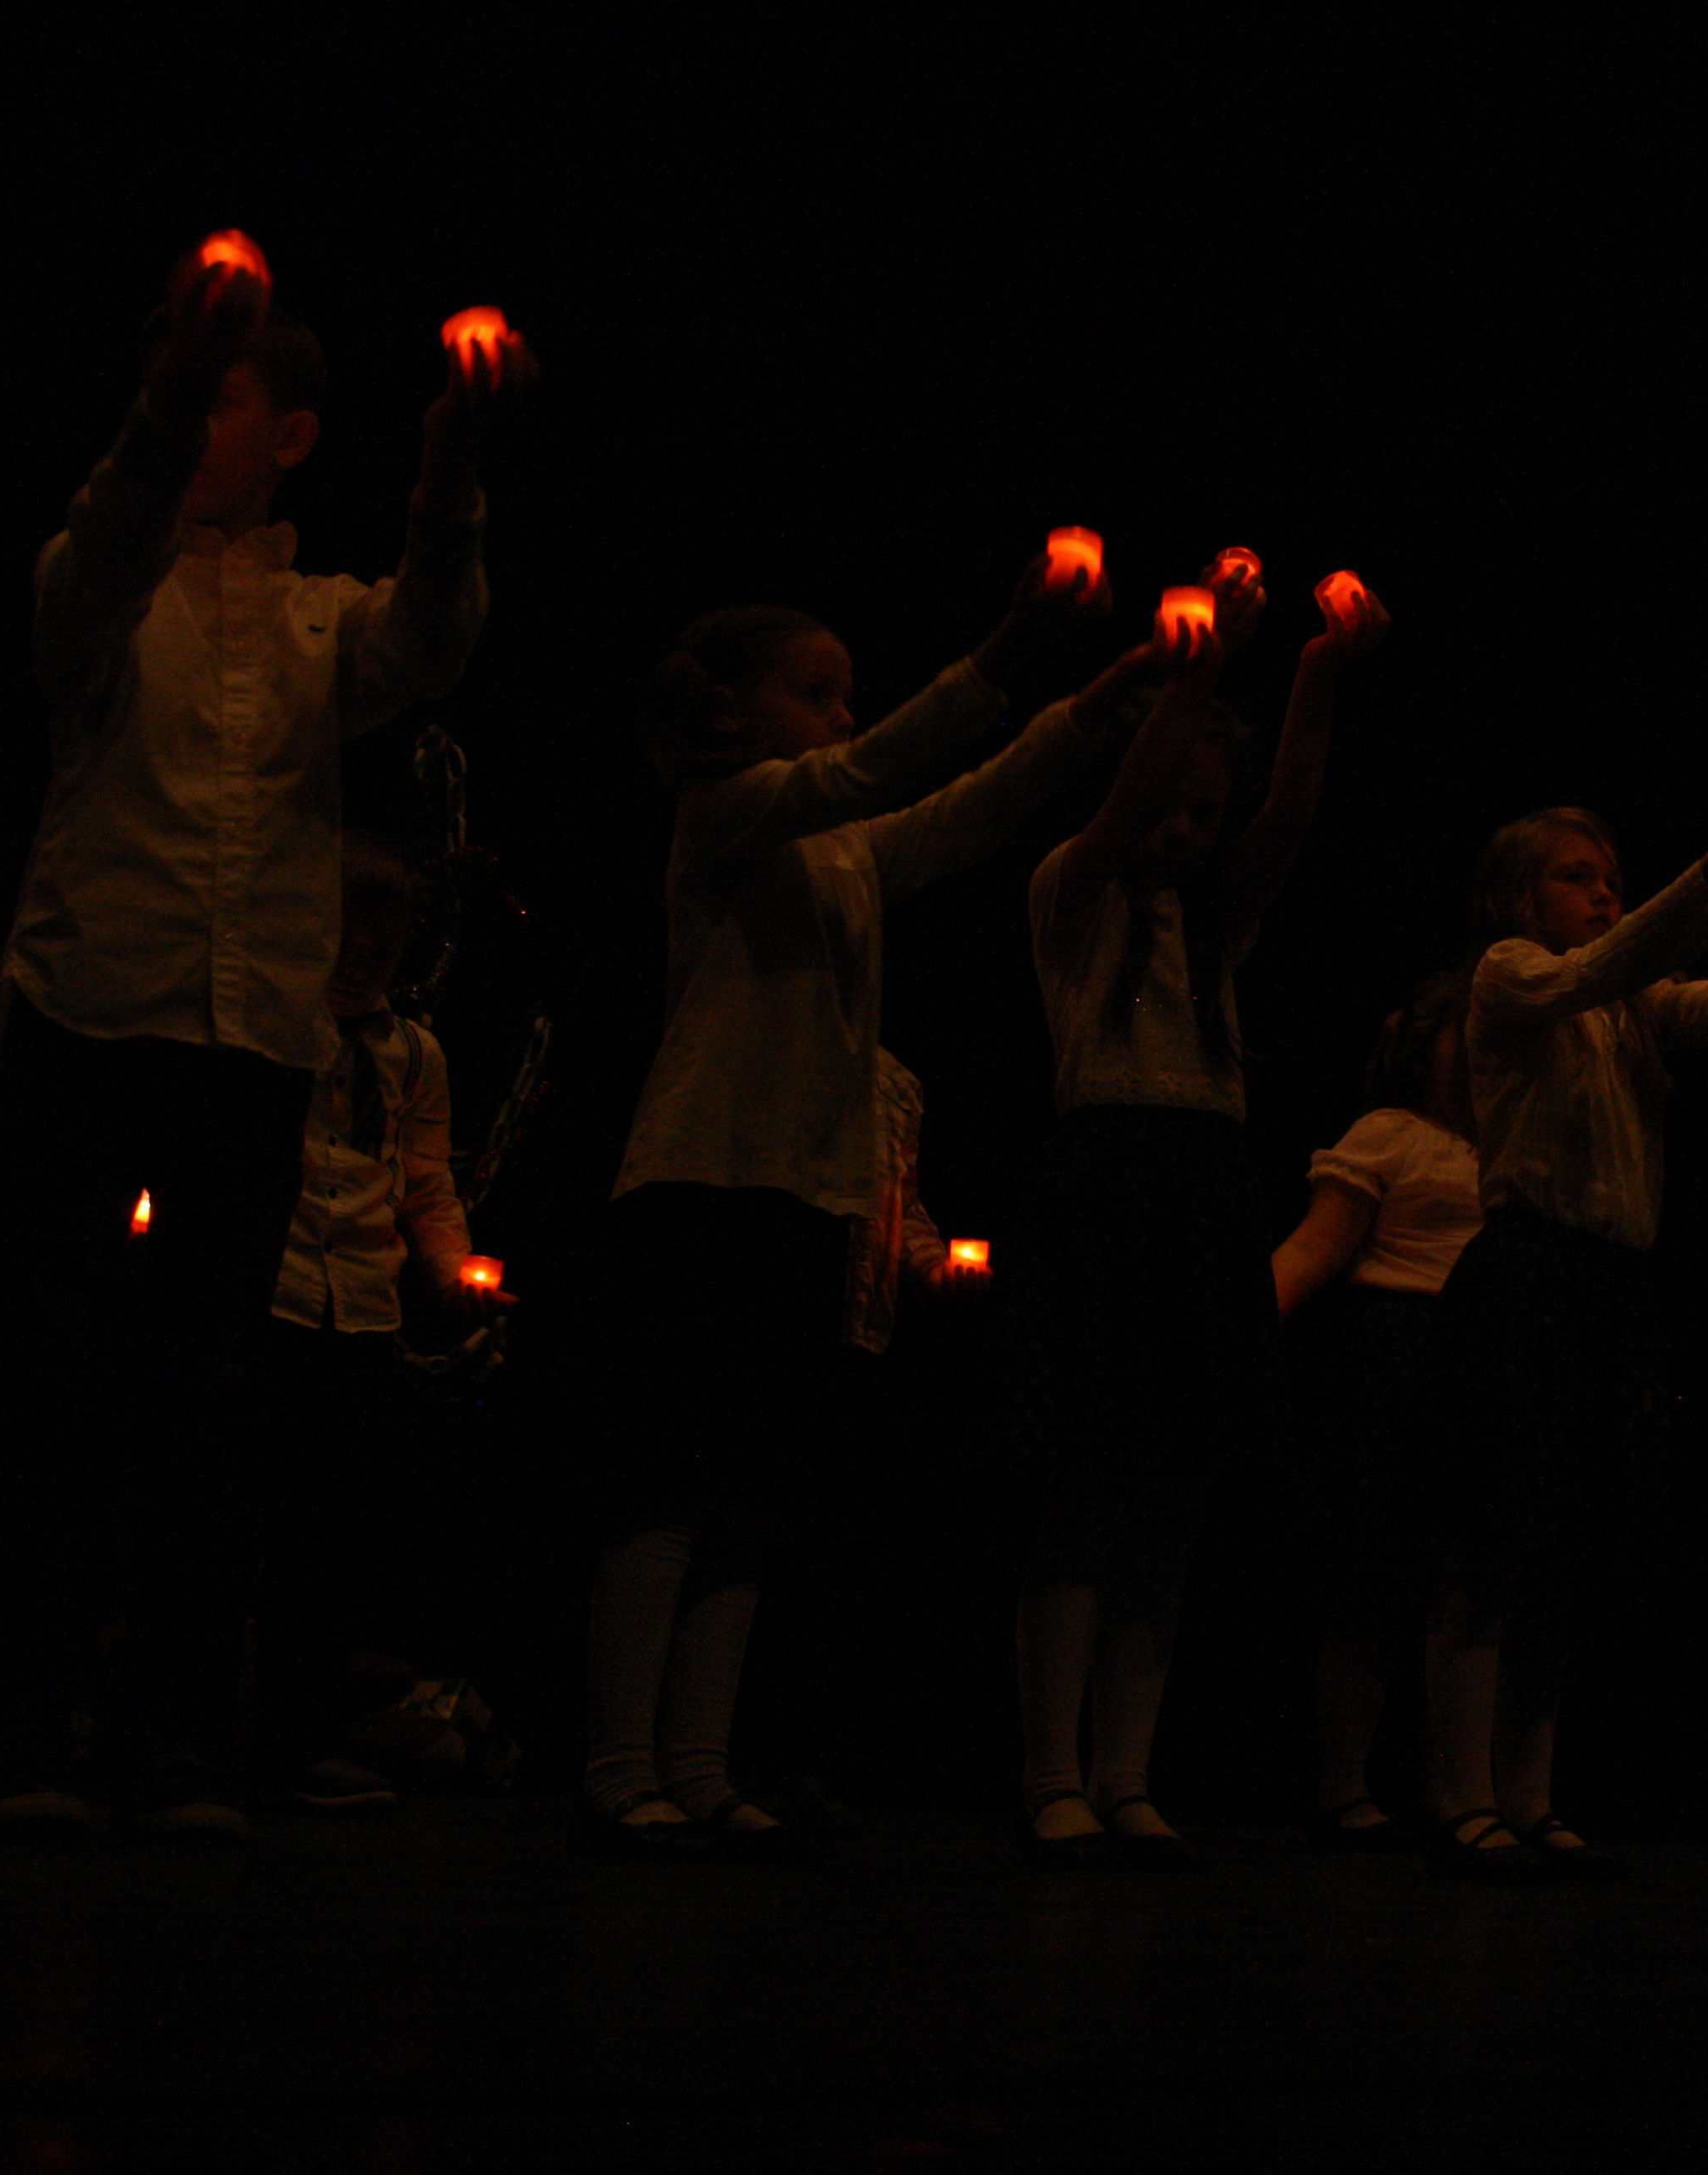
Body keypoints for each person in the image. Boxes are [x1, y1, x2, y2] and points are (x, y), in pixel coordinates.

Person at [0, 232, 528, 1839]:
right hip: (89, 1007)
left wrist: (455, 453)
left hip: (249, 1041)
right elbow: (104, 547)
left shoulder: (321, 622)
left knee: (207, 1398)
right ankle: (21, 1737)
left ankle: (171, 1746)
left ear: (289, 436)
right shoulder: (96, 581)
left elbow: (434, 636)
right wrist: (164, 397)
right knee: (51, 1379)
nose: (184, 416)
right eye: (173, 392)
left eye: (215, 397)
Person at [585, 544, 1128, 1858]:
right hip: (703, 1180)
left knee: (748, 1496)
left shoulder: (842, 852)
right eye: (816, 691)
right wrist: (1012, 644)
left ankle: (698, 1764)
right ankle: (616, 1764)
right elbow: (876, 768)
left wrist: (1104, 701)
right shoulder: (727, 812)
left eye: (846, 694)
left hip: (806, 1194)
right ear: (729, 710)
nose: (842, 715)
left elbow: (971, 810)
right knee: (669, 1489)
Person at [1016, 559, 1388, 1867]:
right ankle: (1052, 1774)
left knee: (1170, 1511)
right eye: (1169, 806)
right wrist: (1204, 660)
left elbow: (1287, 815)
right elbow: (1129, 803)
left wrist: (1317, 676)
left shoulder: (1214, 930)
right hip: (1110, 1189)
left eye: (1202, 816)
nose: (1182, 833)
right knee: (1085, 1498)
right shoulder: (1071, 889)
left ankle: (1126, 1775)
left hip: (1202, 1193)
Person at [1419, 792, 1708, 1879]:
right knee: (1491, 1548)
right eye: (1578, 876)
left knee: (1562, 1557)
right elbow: (1595, 969)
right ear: (1517, 898)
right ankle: (1461, 1791)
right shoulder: (1511, 972)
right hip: (1529, 1274)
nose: (1605, 893)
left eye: (1612, 878)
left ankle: (1528, 1791)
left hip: (1609, 1288)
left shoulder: (1629, 1001)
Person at [258, 830, 510, 1812]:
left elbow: (425, 1181)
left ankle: (304, 1737)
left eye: (384, 945)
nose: (364, 960)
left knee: (332, 1533)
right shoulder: (277, 1027)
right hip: (273, 1290)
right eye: (347, 938)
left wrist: (452, 1275)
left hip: (360, 1306)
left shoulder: (412, 1054)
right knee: (249, 1513)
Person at [1268, 972, 1481, 1851]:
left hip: (1481, 1361)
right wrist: (1233, 1331)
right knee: (1376, 1578)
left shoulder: (1517, 1143)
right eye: (1465, 1034)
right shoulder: (1392, 1132)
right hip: (1396, 1355)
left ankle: (1459, 1791)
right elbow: (1315, 1249)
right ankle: (1345, 1785)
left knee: (1465, 1587)